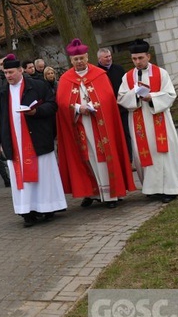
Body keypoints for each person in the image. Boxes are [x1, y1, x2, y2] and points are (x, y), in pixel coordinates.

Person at [56, 39, 136, 209]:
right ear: (71, 60)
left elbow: (108, 99)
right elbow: (62, 103)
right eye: (75, 59)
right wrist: (77, 108)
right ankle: (92, 193)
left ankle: (110, 194)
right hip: (80, 126)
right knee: (86, 158)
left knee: (103, 158)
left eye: (82, 58)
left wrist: (94, 106)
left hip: (100, 126)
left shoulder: (99, 75)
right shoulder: (65, 79)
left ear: (87, 57)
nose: (79, 62)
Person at [0, 54, 67, 227]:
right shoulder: (1, 92)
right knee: (22, 179)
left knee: (43, 176)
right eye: (6, 73)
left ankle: (47, 207)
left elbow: (52, 105)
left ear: (20, 70)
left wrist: (36, 112)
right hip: (14, 142)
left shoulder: (37, 86)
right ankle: (27, 211)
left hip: (37, 139)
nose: (8, 76)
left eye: (11, 72)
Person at [118, 39, 178, 203]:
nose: (137, 62)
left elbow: (170, 95)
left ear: (148, 56)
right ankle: (152, 189)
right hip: (139, 122)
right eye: (134, 59)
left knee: (164, 153)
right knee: (144, 154)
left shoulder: (161, 73)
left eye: (140, 58)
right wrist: (135, 95)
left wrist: (151, 97)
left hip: (160, 120)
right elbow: (121, 97)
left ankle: (169, 189)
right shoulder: (127, 77)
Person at [97, 47, 133, 157]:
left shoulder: (119, 69)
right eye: (106, 57)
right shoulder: (97, 73)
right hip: (107, 110)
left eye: (110, 56)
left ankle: (130, 157)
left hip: (122, 107)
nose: (109, 59)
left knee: (127, 133)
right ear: (99, 58)